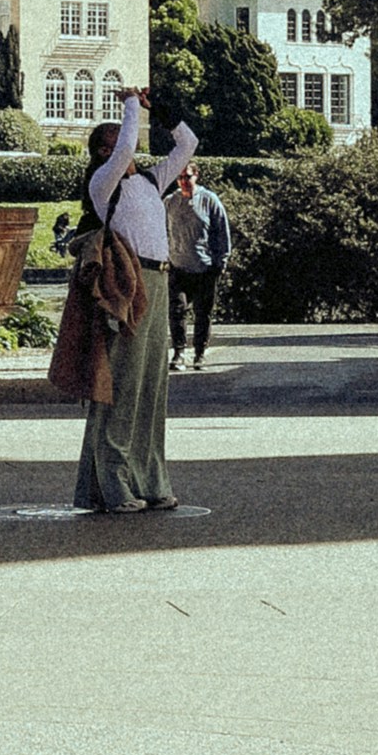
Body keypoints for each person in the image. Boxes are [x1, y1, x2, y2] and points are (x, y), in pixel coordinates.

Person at [71, 86, 195, 516]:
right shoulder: (103, 183)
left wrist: (158, 106)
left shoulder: (147, 181)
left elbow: (188, 145)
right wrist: (128, 105)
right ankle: (112, 482)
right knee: (120, 382)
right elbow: (126, 146)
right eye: (112, 144)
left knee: (151, 387)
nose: (127, 150)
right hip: (128, 283)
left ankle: (150, 478)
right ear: (101, 152)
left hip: (159, 282)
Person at [164, 157, 231, 366]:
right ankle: (179, 352)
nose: (184, 181)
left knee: (203, 314)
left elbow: (222, 230)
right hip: (178, 265)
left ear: (197, 176)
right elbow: (161, 230)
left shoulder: (209, 200)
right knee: (177, 311)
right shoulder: (170, 202)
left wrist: (222, 260)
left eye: (188, 177)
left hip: (204, 267)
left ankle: (200, 352)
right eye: (180, 178)